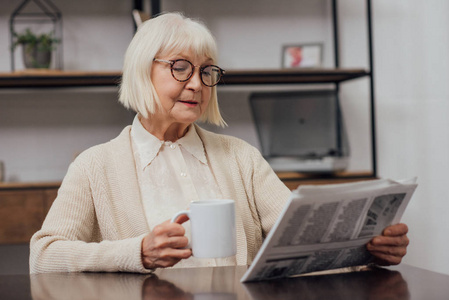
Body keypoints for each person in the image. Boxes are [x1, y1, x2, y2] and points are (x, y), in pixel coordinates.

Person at [29, 12, 409, 273]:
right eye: (180, 67)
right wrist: (138, 252)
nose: (196, 83)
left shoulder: (241, 158)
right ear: (142, 71)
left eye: (206, 71)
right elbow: (44, 255)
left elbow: (301, 238)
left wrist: (369, 249)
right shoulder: (94, 165)